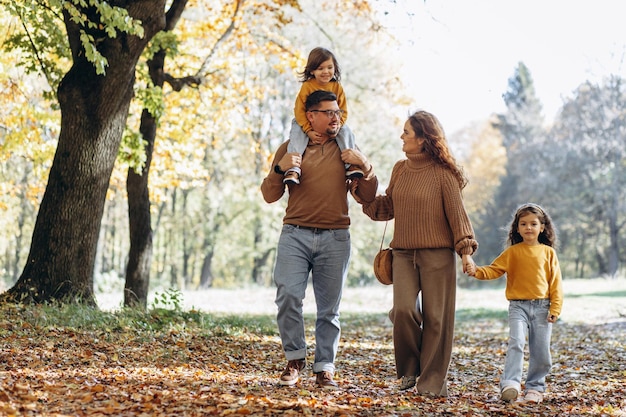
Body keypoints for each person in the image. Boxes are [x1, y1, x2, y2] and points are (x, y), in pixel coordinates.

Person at [261, 90, 378, 389]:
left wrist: (365, 165)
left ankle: (325, 367)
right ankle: (295, 359)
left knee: (329, 309)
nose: (335, 118)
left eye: (337, 112)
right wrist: (280, 166)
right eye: (328, 112)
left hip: (335, 237)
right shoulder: (290, 147)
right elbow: (269, 194)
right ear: (310, 115)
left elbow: (367, 197)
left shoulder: (347, 148)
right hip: (295, 234)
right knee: (288, 294)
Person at [362, 110, 477, 397]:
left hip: (437, 255)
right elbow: (388, 207)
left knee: (437, 318)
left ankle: (432, 382)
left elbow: (457, 215)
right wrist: (361, 192)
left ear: (424, 138)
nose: (401, 137)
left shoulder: (444, 174)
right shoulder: (400, 169)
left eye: (407, 132)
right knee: (402, 311)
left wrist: (465, 251)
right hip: (402, 254)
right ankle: (410, 371)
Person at [465, 203, 563, 404]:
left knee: (541, 349)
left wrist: (555, 308)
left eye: (533, 223)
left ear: (542, 227)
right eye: (523, 224)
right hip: (518, 306)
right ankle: (510, 384)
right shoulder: (513, 252)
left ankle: (535, 387)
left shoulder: (548, 253)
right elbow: (494, 270)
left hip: (543, 307)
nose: (528, 227)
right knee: (516, 342)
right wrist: (476, 270)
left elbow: (556, 284)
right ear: (517, 228)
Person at [283, 47, 363, 185]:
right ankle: (293, 169)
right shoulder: (307, 86)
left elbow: (343, 109)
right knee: (296, 130)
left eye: (330, 67)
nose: (326, 72)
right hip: (306, 122)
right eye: (320, 68)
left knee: (346, 131)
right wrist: (308, 130)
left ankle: (351, 165)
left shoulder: (337, 87)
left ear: (335, 68)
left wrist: (337, 126)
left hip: (334, 123)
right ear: (312, 70)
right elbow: (299, 109)